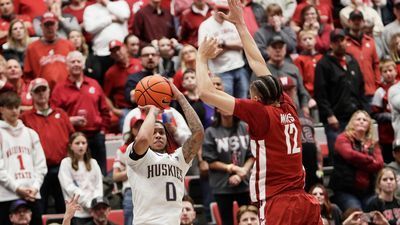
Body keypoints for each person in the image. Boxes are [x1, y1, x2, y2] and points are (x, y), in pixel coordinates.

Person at [195, 0, 322, 224]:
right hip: (304, 199)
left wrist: (202, 56)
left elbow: (205, 92)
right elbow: (257, 62)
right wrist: (241, 25)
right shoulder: (287, 105)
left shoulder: (260, 112)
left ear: (256, 99)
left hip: (278, 202)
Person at [124, 81, 204, 224]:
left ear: (168, 138)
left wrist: (180, 96)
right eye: (153, 132)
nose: (158, 135)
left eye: (161, 132)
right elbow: (142, 139)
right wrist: (153, 112)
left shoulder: (179, 158)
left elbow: (198, 133)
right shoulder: (137, 155)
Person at [314, 29, 368, 165]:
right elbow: (320, 93)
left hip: (354, 117)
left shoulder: (352, 61)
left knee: (359, 155)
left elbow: (361, 87)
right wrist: (329, 115)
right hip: (336, 120)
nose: (340, 43)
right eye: (336, 41)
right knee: (339, 156)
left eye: (342, 40)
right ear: (331, 44)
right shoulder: (323, 64)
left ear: (346, 41)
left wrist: (363, 112)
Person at [51, 51, 111, 175]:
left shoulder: (94, 84)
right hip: (72, 138)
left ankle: (103, 194)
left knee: (101, 173)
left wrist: (102, 131)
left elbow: (105, 110)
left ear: (83, 65)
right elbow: (54, 116)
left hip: (96, 136)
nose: (76, 64)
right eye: (72, 62)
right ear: (67, 66)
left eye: (79, 61)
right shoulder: (59, 88)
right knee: (76, 173)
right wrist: (70, 120)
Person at [20, 78, 74, 214]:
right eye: (37, 91)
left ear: (49, 91)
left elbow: (72, 139)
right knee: (38, 208)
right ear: (31, 94)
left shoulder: (61, 114)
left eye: (43, 89)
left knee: (65, 207)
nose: (41, 93)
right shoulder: (25, 118)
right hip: (37, 171)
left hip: (61, 167)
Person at [202, 95, 254, 225]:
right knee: (226, 222)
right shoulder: (211, 131)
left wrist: (242, 172)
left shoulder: (245, 127)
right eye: (222, 105)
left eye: (229, 104)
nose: (226, 107)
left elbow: (253, 154)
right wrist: (233, 168)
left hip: (245, 183)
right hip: (221, 185)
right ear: (217, 109)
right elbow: (209, 160)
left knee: (248, 219)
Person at [0, 91, 47, 225]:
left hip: (32, 195)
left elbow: (41, 165)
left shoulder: (31, 134)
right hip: (6, 196)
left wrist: (35, 187)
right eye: (10, 107)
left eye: (16, 107)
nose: (14, 111)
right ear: (1, 109)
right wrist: (17, 188)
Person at [329, 110, 384, 211]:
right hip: (345, 190)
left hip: (368, 191)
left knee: (376, 210)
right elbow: (349, 155)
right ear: (352, 123)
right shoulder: (343, 138)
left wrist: (357, 161)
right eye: (358, 119)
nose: (362, 121)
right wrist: (370, 159)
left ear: (369, 124)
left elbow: (379, 164)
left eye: (365, 120)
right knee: (357, 215)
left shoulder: (373, 143)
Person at [198, 0, 249, 99]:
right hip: (220, 71)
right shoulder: (205, 26)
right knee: (226, 104)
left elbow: (243, 44)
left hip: (239, 66)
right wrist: (233, 46)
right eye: (220, 9)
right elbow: (208, 53)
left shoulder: (232, 22)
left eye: (225, 10)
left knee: (244, 102)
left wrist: (223, 44)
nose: (222, 13)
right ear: (214, 8)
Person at [58, 132, 103, 225]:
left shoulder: (93, 162)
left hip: (94, 212)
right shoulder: (66, 163)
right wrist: (88, 203)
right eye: (77, 143)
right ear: (71, 146)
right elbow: (69, 187)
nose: (81, 146)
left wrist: (95, 203)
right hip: (77, 213)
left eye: (83, 143)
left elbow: (99, 186)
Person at [23, 11, 75, 89]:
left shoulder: (69, 45)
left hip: (67, 90)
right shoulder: (32, 48)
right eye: (46, 25)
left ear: (57, 25)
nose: (49, 28)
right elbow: (28, 75)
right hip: (43, 92)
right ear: (41, 26)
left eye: (52, 24)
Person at [83, 0, 130, 85]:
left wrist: (107, 3)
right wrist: (110, 19)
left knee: (123, 81)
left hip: (121, 52)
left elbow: (124, 15)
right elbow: (89, 28)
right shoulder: (90, 9)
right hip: (100, 53)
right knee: (104, 83)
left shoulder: (121, 3)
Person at [345, 10, 380, 102]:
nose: (356, 22)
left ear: (363, 22)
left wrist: (377, 83)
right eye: (354, 20)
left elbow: (376, 64)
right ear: (349, 22)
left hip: (371, 89)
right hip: (352, 92)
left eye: (359, 20)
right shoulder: (344, 43)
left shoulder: (370, 41)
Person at [371, 60, 397, 163]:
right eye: (385, 71)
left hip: (398, 132)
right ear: (381, 74)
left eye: (390, 70)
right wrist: (389, 116)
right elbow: (374, 114)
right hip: (387, 136)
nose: (388, 74)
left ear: (395, 71)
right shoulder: (379, 92)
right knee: (389, 161)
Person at [294, 30, 322, 97]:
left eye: (310, 38)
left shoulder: (321, 57)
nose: (308, 41)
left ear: (315, 40)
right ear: (300, 43)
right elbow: (300, 81)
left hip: (323, 92)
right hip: (309, 94)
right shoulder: (299, 59)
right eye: (304, 39)